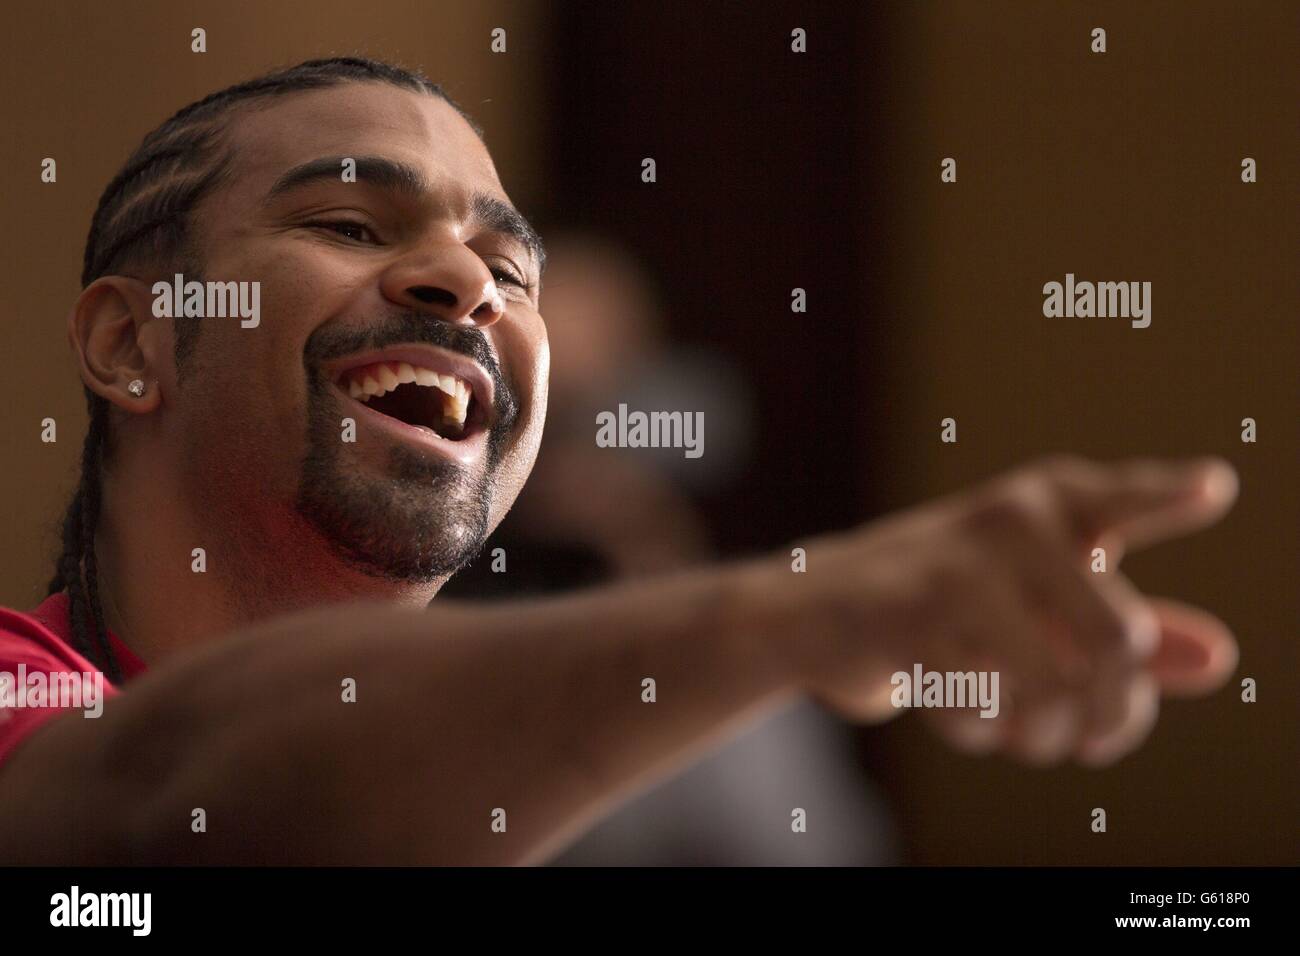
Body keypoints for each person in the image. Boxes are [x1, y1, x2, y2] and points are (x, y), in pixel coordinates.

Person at [0, 57, 1239, 865]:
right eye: (345, 222)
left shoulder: (580, 777)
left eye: (511, 268)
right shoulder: (30, 700)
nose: (469, 283)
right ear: (132, 341)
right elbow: (162, 803)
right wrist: (810, 608)